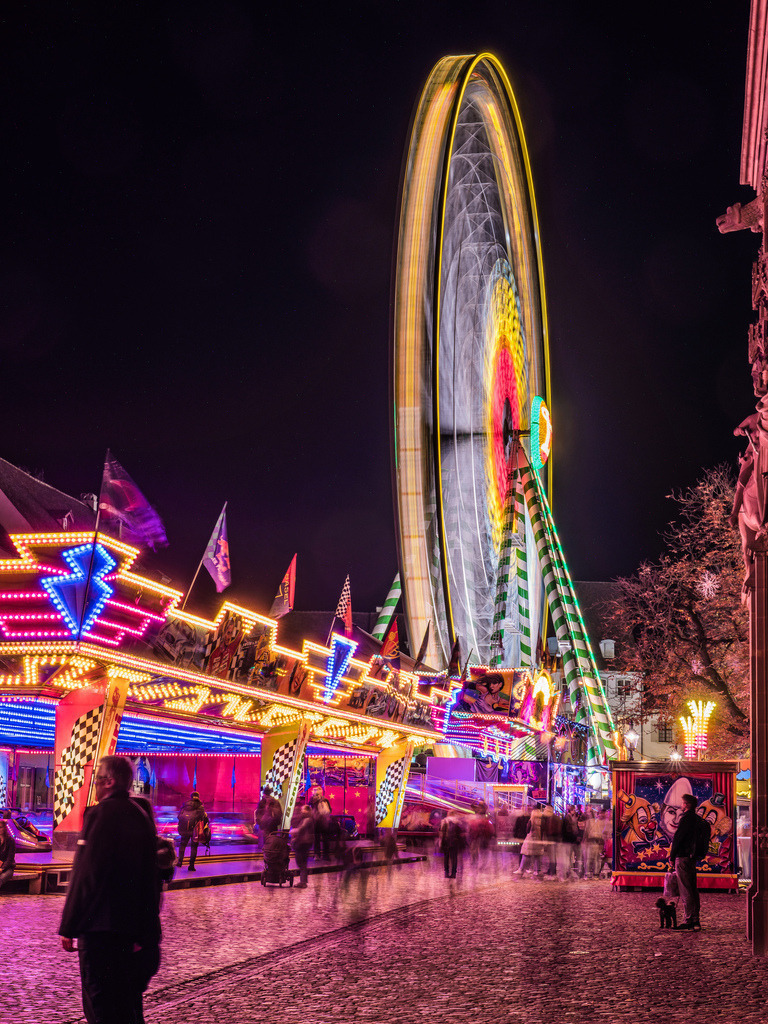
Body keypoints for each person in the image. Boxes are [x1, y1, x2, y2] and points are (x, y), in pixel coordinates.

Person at [59, 755, 160, 1024]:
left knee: (100, 1004)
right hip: (130, 931)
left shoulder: (100, 814)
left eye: (98, 780)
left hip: (99, 930)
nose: (95, 786)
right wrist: (147, 932)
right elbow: (151, 880)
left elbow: (86, 875)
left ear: (109, 781)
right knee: (127, 1006)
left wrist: (69, 926)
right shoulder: (141, 815)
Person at [671, 793, 704, 930]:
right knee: (692, 888)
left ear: (687, 805)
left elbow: (678, 838)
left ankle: (689, 920)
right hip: (692, 857)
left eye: (683, 803)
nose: (681, 805)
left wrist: (672, 856)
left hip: (683, 856)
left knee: (685, 889)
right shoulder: (697, 819)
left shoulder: (686, 819)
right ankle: (696, 920)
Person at [177, 791, 209, 871]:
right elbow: (203, 819)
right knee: (194, 847)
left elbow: (179, 816)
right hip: (195, 830)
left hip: (184, 829)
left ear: (191, 797)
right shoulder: (200, 806)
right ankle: (191, 865)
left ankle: (180, 862)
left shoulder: (185, 804)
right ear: (198, 797)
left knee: (182, 845)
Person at [289, 804, 314, 888]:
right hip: (304, 842)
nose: (301, 811)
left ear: (307, 811)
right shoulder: (305, 819)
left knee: (301, 862)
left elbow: (301, 829)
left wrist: (292, 831)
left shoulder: (307, 819)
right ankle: (303, 881)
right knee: (302, 863)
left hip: (303, 843)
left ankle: (303, 882)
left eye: (303, 809)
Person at [439, 810, 465, 878]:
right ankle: (453, 873)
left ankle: (446, 873)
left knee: (446, 858)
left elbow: (442, 832)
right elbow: (460, 833)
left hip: (446, 841)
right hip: (455, 842)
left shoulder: (444, 821)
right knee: (454, 858)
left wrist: (440, 843)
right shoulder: (458, 821)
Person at [0, 819, 16, 890]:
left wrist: (2, 868)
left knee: (1, 878)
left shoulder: (10, 841)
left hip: (7, 868)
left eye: (0, 827)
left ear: (4, 828)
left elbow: (10, 859)